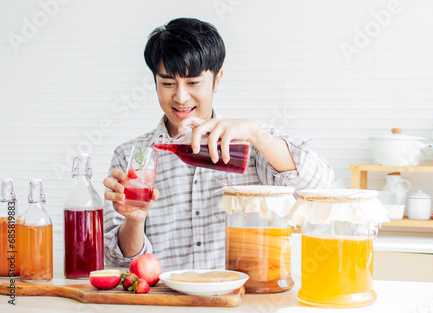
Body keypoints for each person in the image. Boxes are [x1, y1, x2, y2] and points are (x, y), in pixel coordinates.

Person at [103, 17, 335, 270]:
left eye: (193, 83)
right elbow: (117, 260)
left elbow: (322, 190)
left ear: (217, 79)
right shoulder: (133, 156)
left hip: (243, 303)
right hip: (168, 303)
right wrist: (135, 221)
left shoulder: (251, 144)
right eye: (168, 83)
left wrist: (257, 135)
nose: (180, 97)